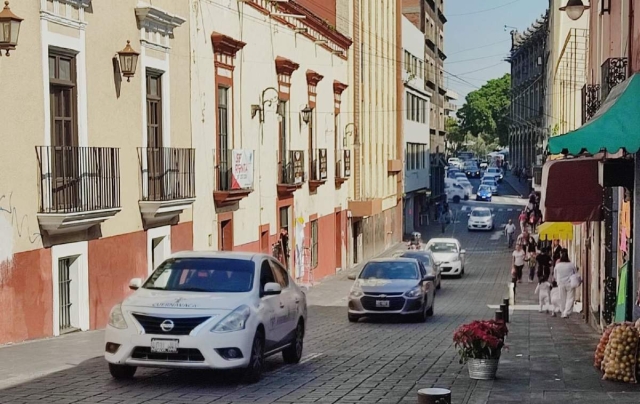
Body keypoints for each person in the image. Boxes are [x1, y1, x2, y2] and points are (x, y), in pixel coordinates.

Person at [554, 249, 577, 318]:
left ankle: (563, 311)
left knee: (562, 298)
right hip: (570, 283)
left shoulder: (558, 265)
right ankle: (566, 312)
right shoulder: (571, 265)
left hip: (561, 283)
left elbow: (555, 275)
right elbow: (575, 273)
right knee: (570, 298)